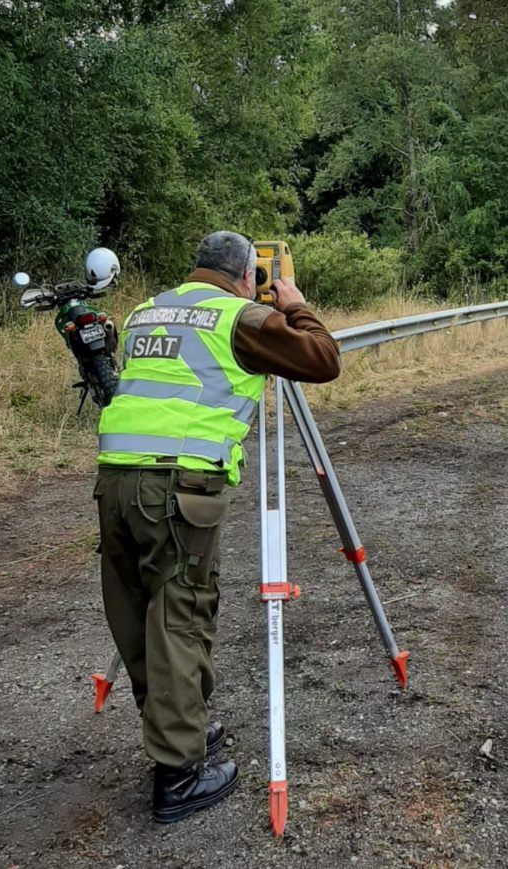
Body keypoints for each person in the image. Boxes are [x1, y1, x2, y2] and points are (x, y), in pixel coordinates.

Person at [94, 231, 341, 823]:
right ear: (245, 275)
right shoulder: (239, 316)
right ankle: (179, 776)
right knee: (179, 620)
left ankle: (182, 729)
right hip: (179, 491)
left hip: (115, 480)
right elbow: (322, 358)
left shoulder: (146, 310)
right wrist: (294, 305)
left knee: (137, 613)